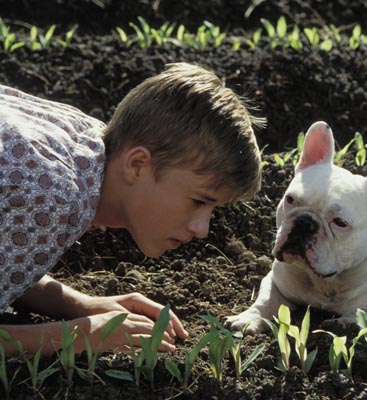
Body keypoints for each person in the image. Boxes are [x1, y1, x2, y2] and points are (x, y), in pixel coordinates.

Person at [0, 62, 264, 356]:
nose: (201, 228)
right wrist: (79, 335)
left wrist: (79, 305)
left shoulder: (82, 142)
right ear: (137, 165)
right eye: (199, 201)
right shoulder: (55, 198)